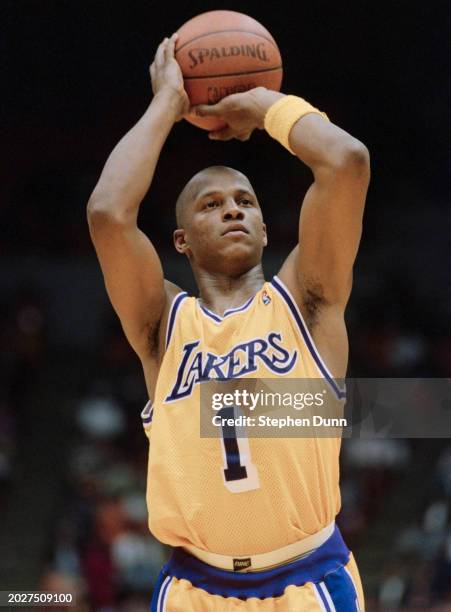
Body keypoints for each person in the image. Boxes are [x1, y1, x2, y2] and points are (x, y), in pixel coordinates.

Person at [87, 32, 370, 612]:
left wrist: (266, 108)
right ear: (181, 240)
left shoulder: (307, 302)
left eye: (245, 200)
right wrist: (167, 103)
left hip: (307, 578)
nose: (233, 208)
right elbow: (108, 215)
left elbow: (346, 162)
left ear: (267, 230)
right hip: (195, 588)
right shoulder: (163, 325)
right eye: (210, 204)